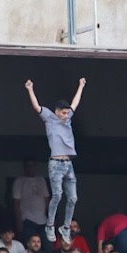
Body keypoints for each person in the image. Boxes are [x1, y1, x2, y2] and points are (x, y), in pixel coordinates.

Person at [24, 77, 86, 244]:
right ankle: (50, 225)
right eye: (64, 113)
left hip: (68, 163)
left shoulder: (68, 119)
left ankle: (66, 227)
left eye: (67, 113)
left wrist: (80, 85)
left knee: (73, 198)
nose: (66, 115)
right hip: (56, 163)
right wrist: (30, 89)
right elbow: (37, 107)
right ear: (57, 111)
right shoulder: (50, 118)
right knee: (57, 194)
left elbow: (75, 103)